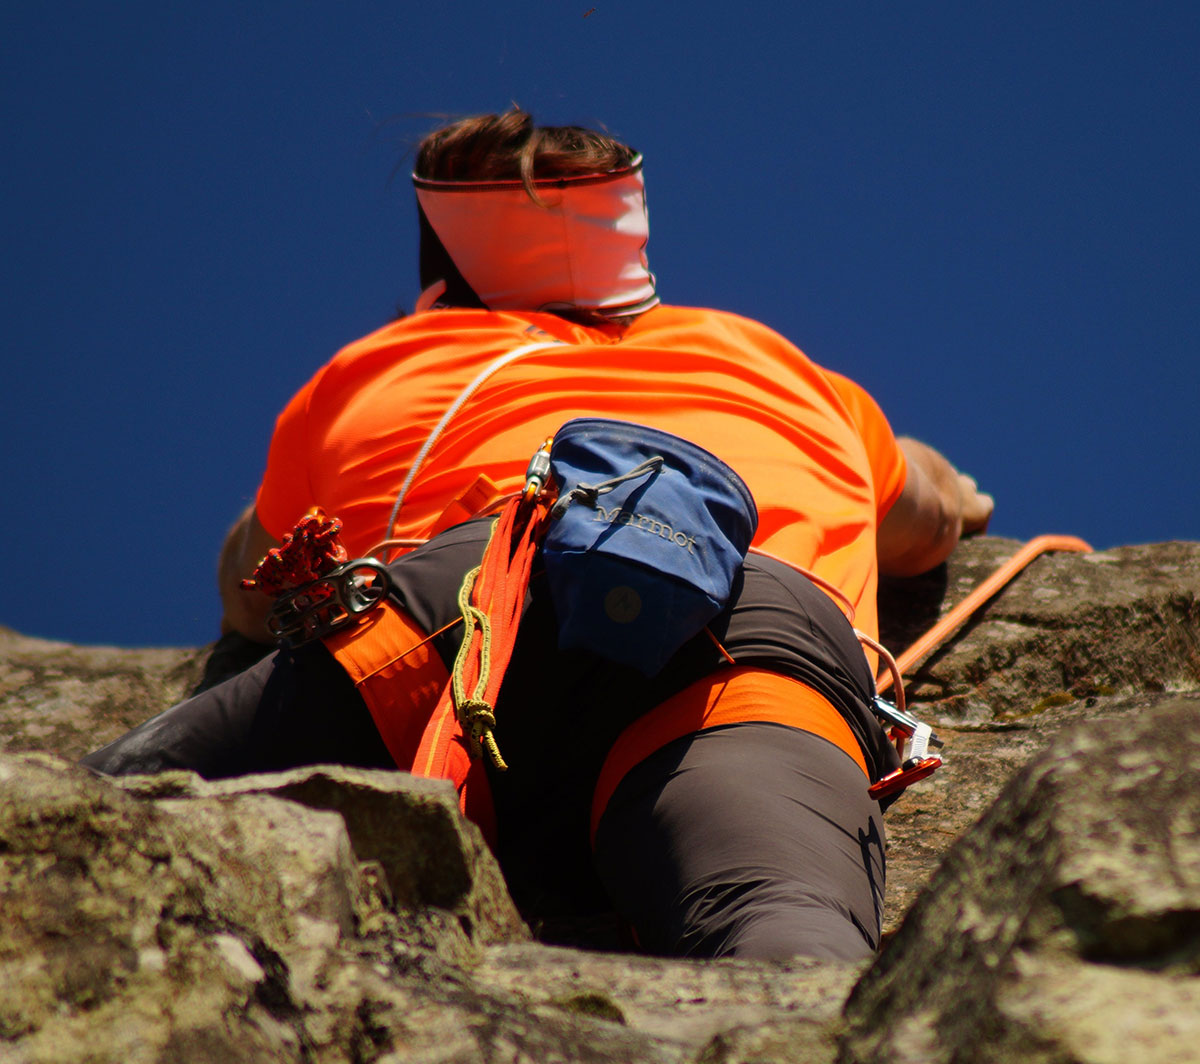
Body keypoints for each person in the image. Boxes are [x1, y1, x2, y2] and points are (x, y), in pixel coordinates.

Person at [84, 109, 992, 962]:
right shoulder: (778, 364)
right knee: (781, 920)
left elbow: (252, 588)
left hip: (480, 598)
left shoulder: (377, 370)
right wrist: (957, 491)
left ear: (441, 281)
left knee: (97, 822)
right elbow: (930, 519)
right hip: (752, 627)